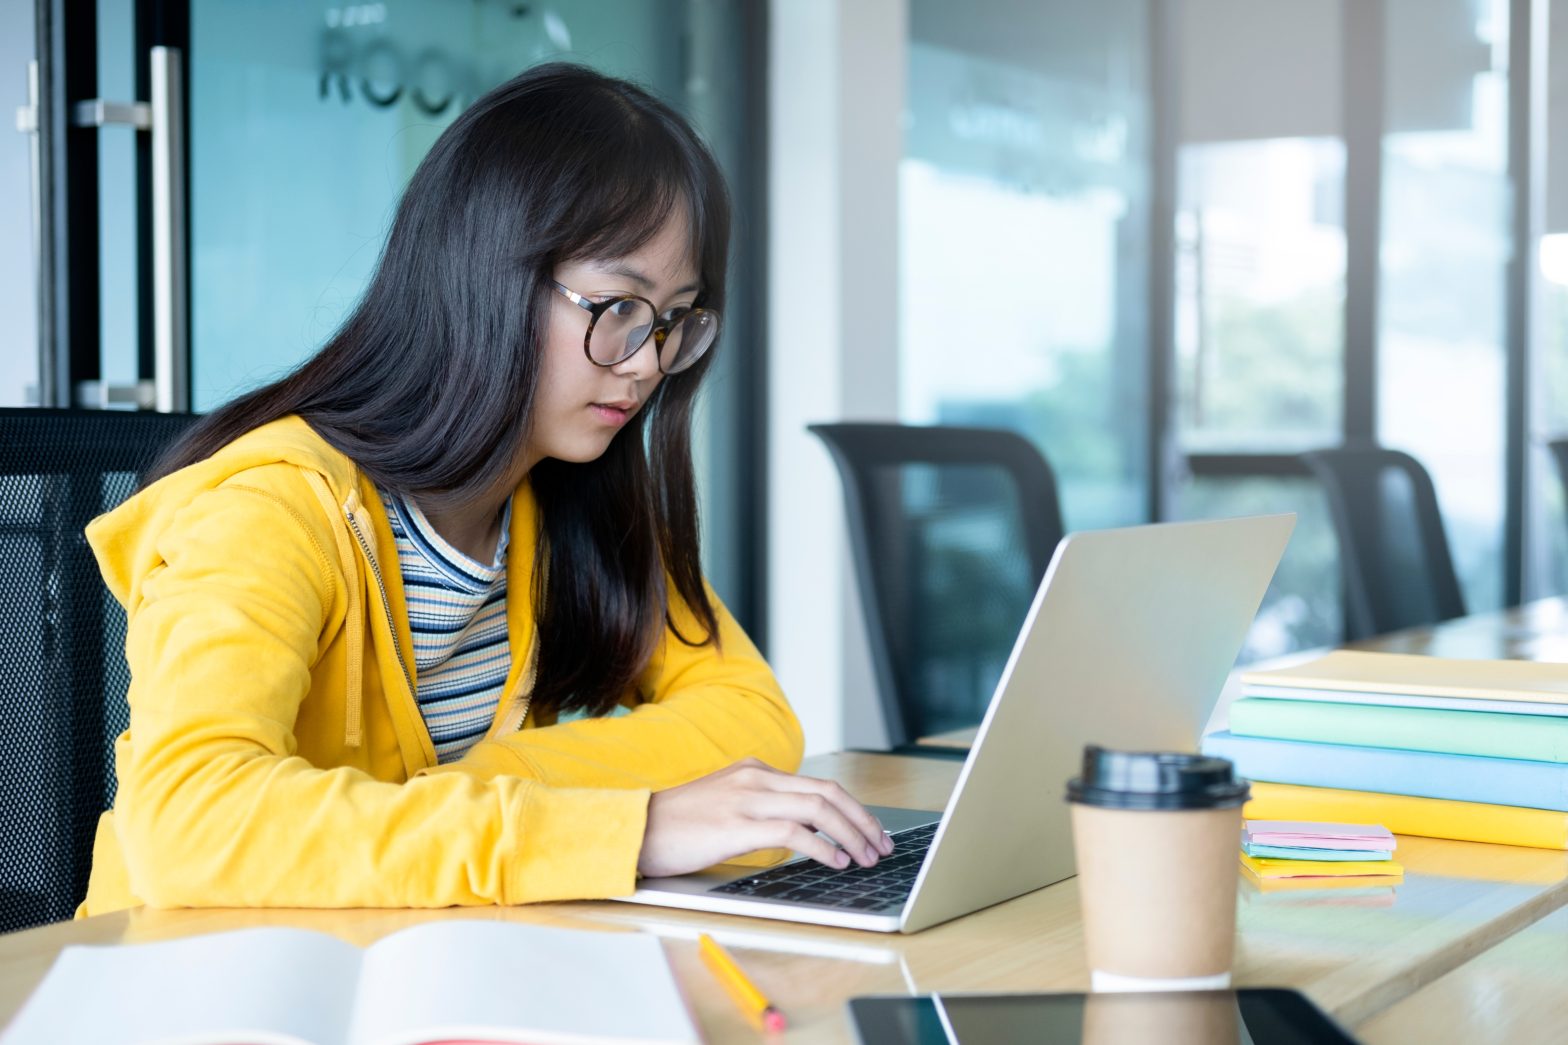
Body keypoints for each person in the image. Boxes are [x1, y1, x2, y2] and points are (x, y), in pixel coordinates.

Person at [78, 63, 892, 916]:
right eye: (618, 305)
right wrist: (627, 830)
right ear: (486, 276)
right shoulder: (272, 507)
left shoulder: (564, 498)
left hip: (419, 963)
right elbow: (191, 824)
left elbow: (752, 716)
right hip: (192, 983)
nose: (649, 360)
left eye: (672, 320)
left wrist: (498, 786)